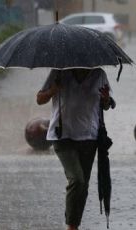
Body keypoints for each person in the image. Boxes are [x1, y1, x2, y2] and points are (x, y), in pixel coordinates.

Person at [36, 68, 112, 230]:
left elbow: (106, 105)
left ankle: (73, 224)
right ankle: (71, 226)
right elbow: (40, 99)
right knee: (77, 180)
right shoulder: (59, 72)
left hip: (89, 137)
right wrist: (53, 90)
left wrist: (106, 99)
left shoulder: (99, 74)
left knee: (83, 186)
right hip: (63, 136)